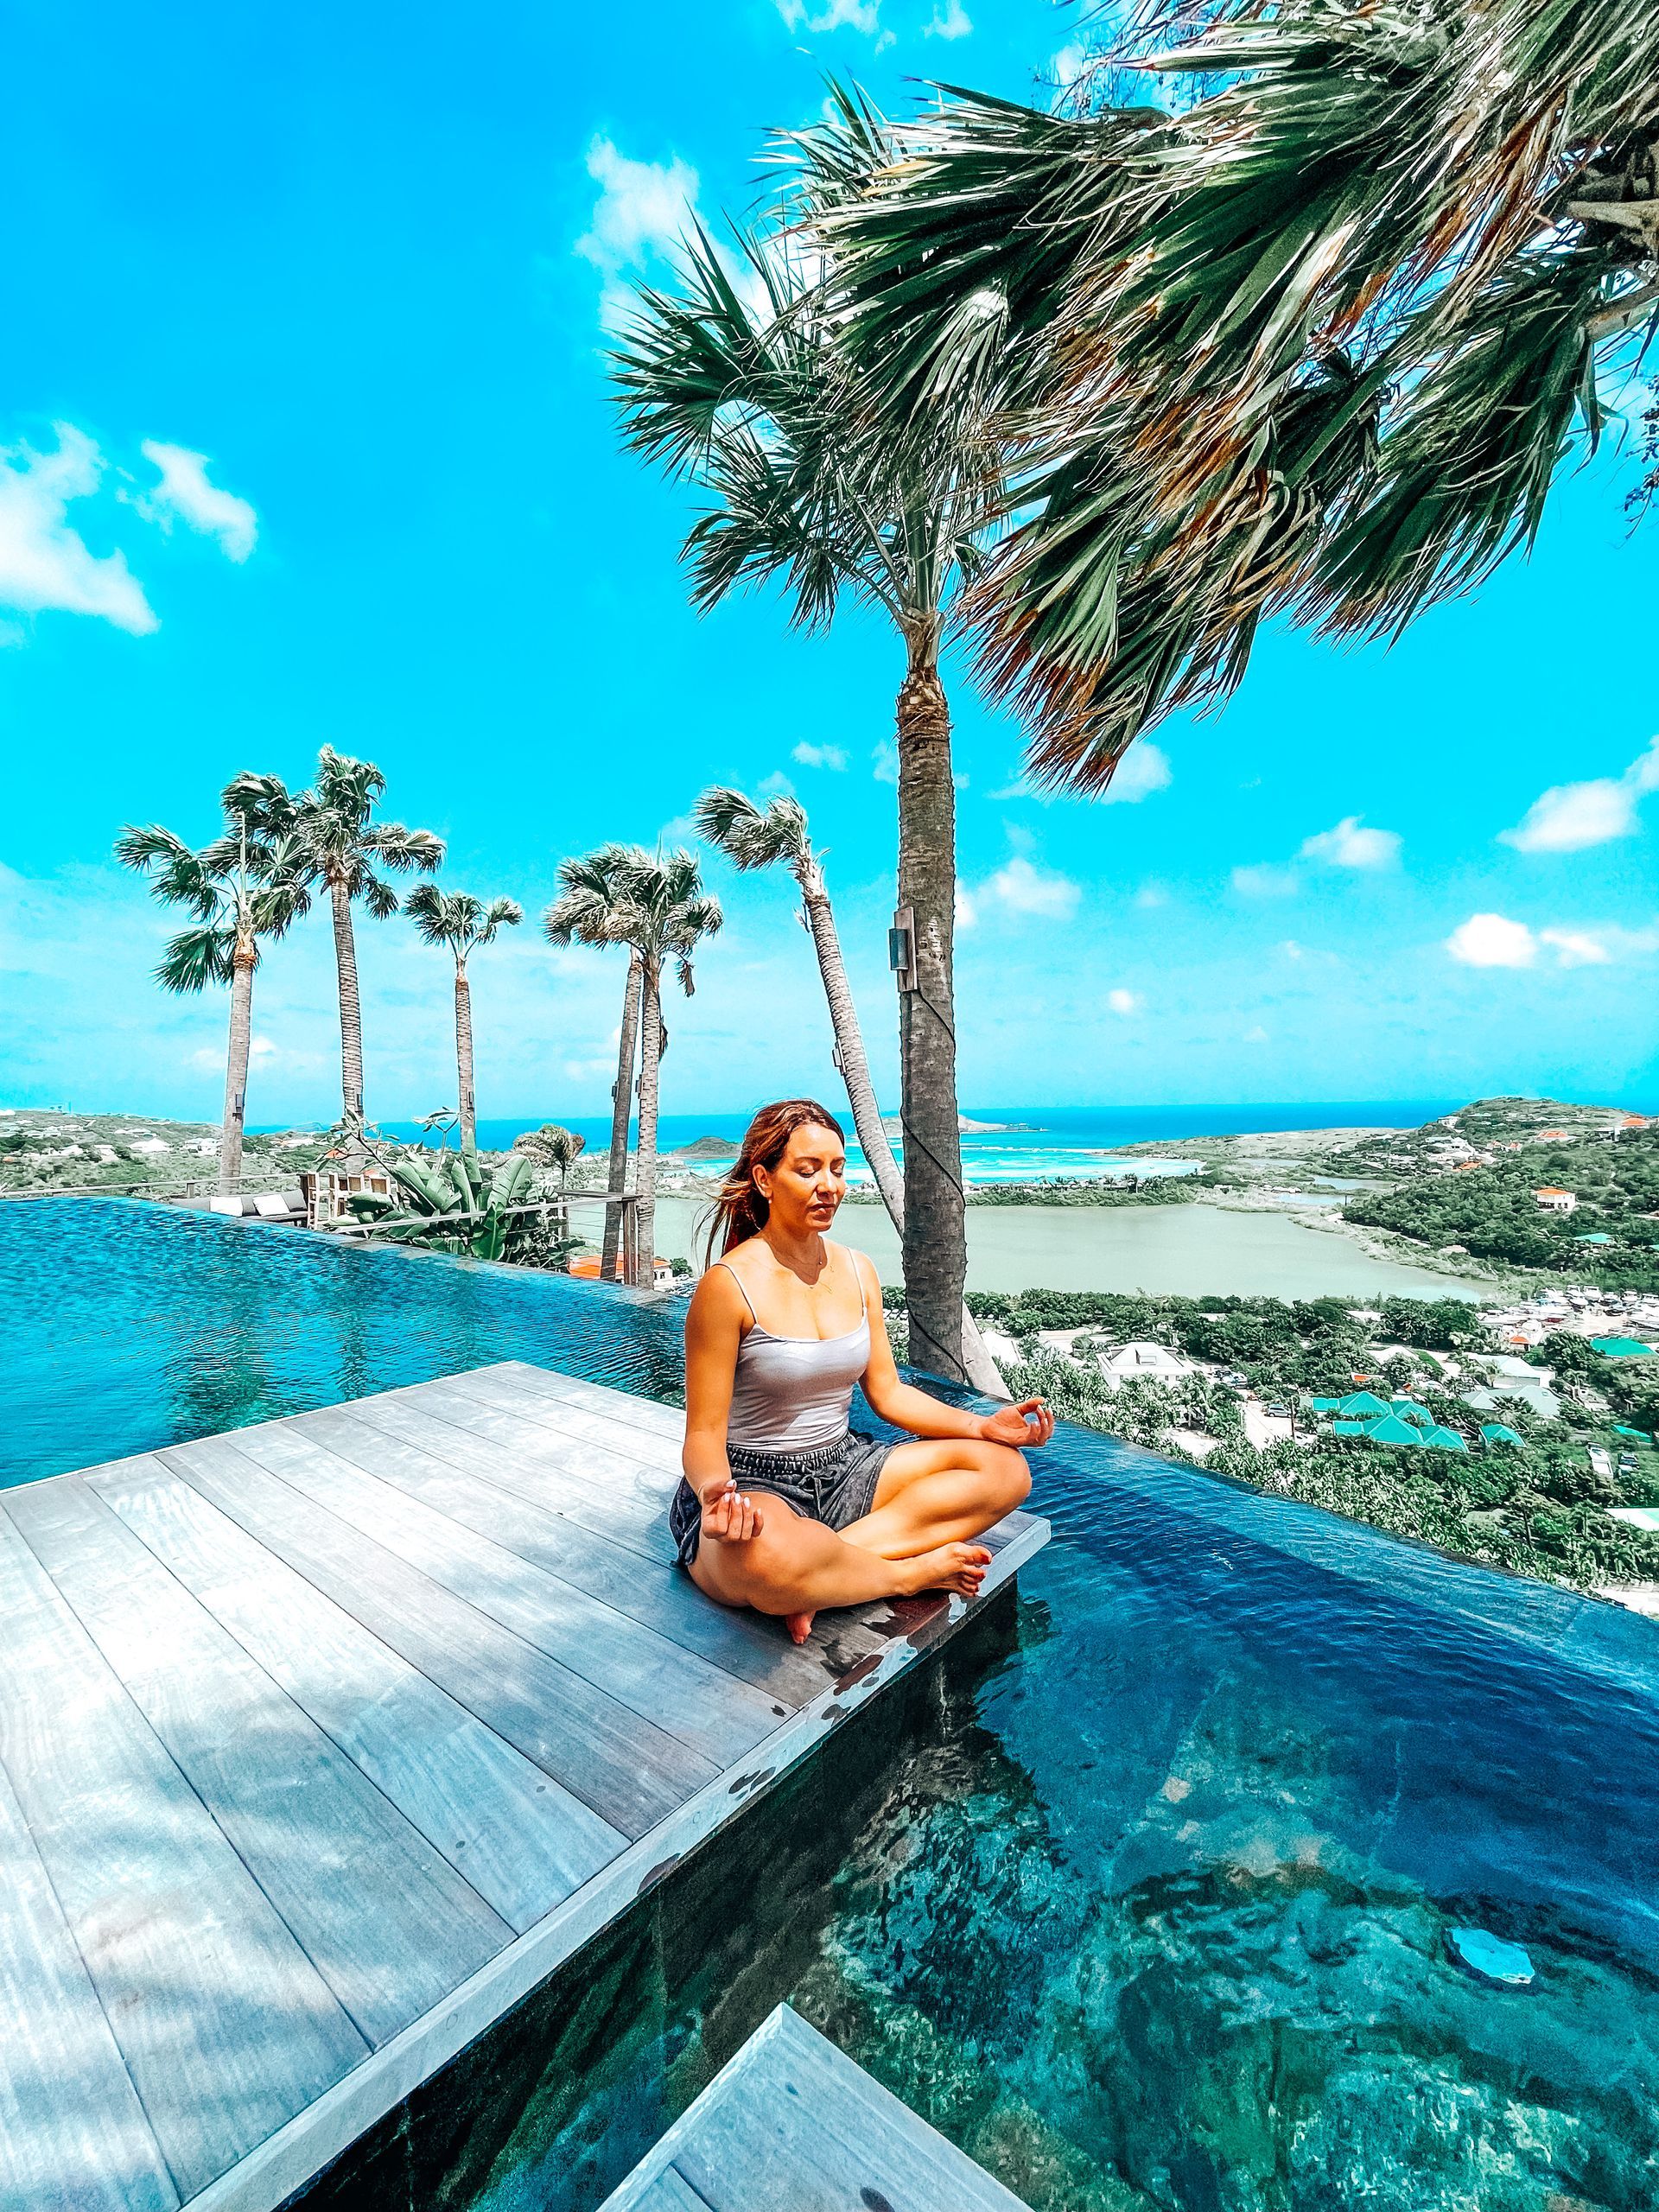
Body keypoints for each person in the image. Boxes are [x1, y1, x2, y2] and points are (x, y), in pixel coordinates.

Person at [671, 1096, 1052, 1643]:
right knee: (768, 1555)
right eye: (808, 1170)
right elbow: (703, 1436)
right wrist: (715, 1496)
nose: (829, 1186)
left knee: (1005, 1472)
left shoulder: (858, 1270)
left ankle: (824, 1578)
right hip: (754, 1485)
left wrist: (983, 1426)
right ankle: (902, 1574)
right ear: (764, 1179)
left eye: (837, 1168)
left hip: (844, 1467)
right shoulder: (727, 1287)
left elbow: (889, 1393)